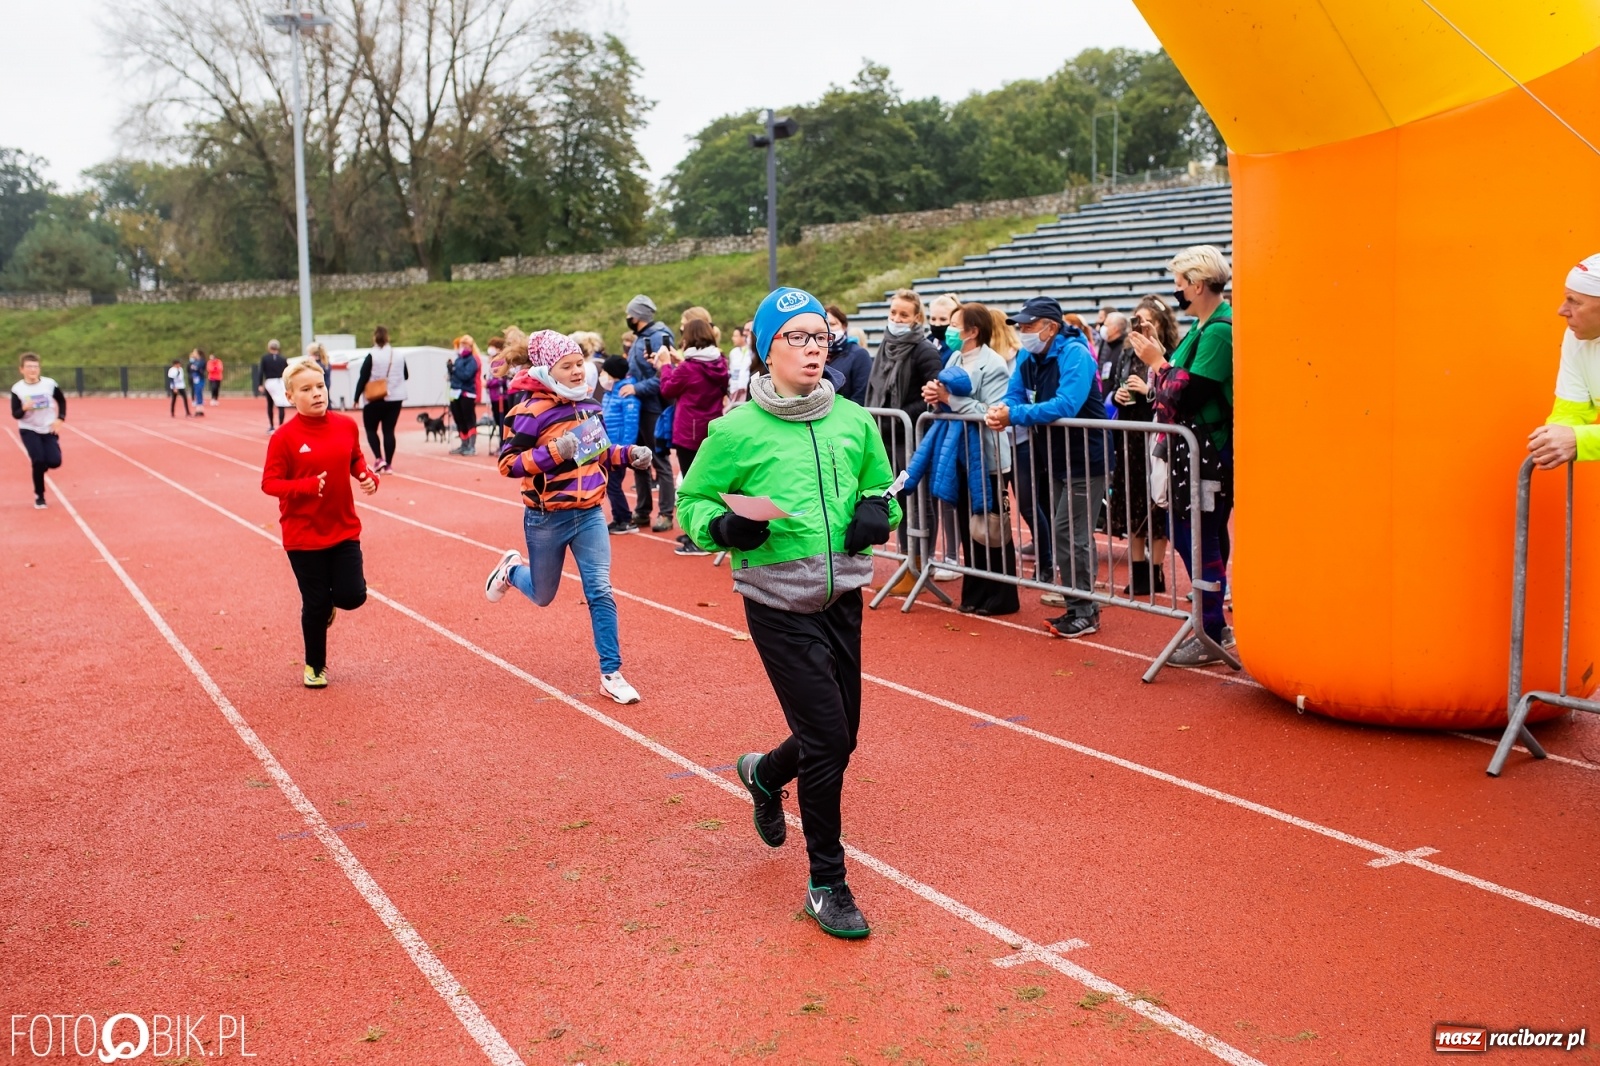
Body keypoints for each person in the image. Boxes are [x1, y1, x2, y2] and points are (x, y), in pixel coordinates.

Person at [677, 286, 900, 940]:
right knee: (830, 740)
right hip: (777, 603)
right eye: (796, 337)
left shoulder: (854, 421)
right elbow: (692, 503)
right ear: (765, 348)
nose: (812, 348)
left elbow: (881, 490)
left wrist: (878, 514)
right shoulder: (735, 430)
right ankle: (828, 885)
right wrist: (720, 524)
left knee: (840, 736)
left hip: (842, 599)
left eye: (819, 336)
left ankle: (764, 773)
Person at [482, 330, 655, 705]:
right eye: (568, 366)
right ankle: (512, 570)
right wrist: (553, 453)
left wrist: (630, 455)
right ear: (548, 370)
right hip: (547, 518)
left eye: (580, 363)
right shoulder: (530, 412)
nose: (578, 372)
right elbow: (508, 464)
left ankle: (611, 672)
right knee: (544, 595)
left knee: (600, 590)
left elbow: (600, 452)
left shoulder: (589, 406)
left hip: (590, 514)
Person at [1129, 245, 1236, 666]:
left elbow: (1183, 391)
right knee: (1191, 532)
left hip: (1208, 451)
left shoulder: (1220, 331)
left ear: (1196, 284)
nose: (1176, 291)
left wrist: (1156, 363)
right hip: (1190, 451)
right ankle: (1210, 623)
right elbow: (1170, 388)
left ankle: (1211, 629)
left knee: (1199, 535)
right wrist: (1160, 364)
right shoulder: (1200, 328)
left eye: (1179, 284)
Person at [985, 296, 1107, 639]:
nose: (1023, 332)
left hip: (1086, 457)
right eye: (1020, 326)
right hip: (1054, 457)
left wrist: (1014, 415)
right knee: (1066, 532)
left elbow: (1066, 404)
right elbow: (1015, 393)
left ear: (1050, 327)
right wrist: (1003, 410)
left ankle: (1083, 610)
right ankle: (1081, 605)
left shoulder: (1076, 355)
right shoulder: (1029, 354)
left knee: (1071, 532)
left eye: (1028, 326)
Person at [260, 357, 379, 688]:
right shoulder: (283, 438)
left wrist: (366, 476)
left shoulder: (345, 426)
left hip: (343, 528)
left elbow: (355, 457)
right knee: (314, 604)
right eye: (307, 389)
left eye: (320, 386)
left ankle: (329, 606)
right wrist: (306, 486)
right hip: (303, 535)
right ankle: (315, 667)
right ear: (289, 396)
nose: (317, 393)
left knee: (353, 596)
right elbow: (269, 483)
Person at [915, 302, 1018, 615]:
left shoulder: (995, 364)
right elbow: (952, 406)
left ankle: (1001, 596)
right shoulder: (956, 357)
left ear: (972, 331)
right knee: (967, 525)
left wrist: (949, 398)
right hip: (959, 453)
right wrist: (936, 399)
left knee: (991, 527)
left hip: (987, 456)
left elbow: (990, 412)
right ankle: (974, 593)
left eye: (955, 324)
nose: (949, 329)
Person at [866, 288, 944, 582]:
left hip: (912, 438)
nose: (896, 319)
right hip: (887, 437)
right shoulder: (885, 346)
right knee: (898, 501)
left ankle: (921, 564)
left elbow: (931, 397)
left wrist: (897, 415)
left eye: (903, 314)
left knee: (918, 504)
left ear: (916, 318)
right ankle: (907, 560)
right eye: (893, 313)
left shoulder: (924, 350)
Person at [1107, 299, 1175, 595]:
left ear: (1160, 324)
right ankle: (1139, 573)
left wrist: (1148, 392)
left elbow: (1173, 394)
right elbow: (1111, 386)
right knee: (1133, 501)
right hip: (1130, 439)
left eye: (1147, 321)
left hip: (1158, 438)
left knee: (1157, 504)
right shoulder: (1125, 354)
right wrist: (1118, 395)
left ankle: (1156, 571)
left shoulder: (1168, 354)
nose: (1140, 326)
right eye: (1136, 320)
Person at [656, 311, 729, 556]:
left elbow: (667, 388)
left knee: (691, 486)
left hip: (689, 431)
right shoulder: (720, 361)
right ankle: (705, 532)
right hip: (712, 428)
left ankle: (698, 538)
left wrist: (666, 365)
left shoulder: (688, 367)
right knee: (710, 484)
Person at [1529, 252, 1600, 469]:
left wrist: (1579, 440)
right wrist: (1555, 437)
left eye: (1573, 301)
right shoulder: (1577, 336)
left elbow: (1577, 437)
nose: (1562, 310)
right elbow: (1572, 410)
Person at [621, 294, 678, 531]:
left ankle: (665, 513)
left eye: (629, 315)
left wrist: (636, 387)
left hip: (653, 407)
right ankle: (643, 511)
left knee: (659, 461)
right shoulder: (640, 338)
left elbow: (663, 376)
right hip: (638, 409)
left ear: (638, 316)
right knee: (638, 460)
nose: (627, 318)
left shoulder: (658, 338)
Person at [11, 352, 65, 509]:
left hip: (48, 427)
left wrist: (60, 418)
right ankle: (39, 496)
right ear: (22, 369)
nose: (33, 370)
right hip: (29, 429)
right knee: (38, 460)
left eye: (35, 366)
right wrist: (24, 408)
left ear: (39, 368)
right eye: (29, 367)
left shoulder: (49, 384)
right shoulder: (18, 389)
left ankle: (41, 467)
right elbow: (15, 414)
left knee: (55, 462)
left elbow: (61, 400)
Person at [354, 325, 407, 472]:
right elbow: (406, 375)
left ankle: (379, 458)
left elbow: (363, 377)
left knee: (371, 429)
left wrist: (356, 397)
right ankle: (388, 464)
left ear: (374, 338)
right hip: (395, 397)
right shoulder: (398, 355)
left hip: (374, 398)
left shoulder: (372, 355)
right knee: (389, 431)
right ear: (388, 337)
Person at [599, 354, 641, 534]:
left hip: (618, 449)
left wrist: (626, 450)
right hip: (607, 447)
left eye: (604, 372)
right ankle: (620, 517)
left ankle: (625, 519)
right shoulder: (610, 393)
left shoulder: (626, 395)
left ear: (612, 374)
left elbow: (631, 423)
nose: (602, 375)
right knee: (610, 484)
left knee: (613, 485)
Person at [823, 305, 872, 405]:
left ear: (844, 326)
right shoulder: (816, 353)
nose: (829, 329)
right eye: (825, 325)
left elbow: (861, 395)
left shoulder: (859, 354)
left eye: (832, 324)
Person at [447, 334, 482, 456]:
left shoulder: (473, 360)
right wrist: (450, 370)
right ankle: (464, 443)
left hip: (467, 393)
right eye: (462, 344)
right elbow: (454, 376)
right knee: (459, 419)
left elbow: (466, 375)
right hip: (455, 393)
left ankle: (471, 446)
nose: (463, 347)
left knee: (469, 419)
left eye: (465, 345)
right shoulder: (458, 359)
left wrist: (455, 370)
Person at [1096, 312, 1129, 417]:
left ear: (1115, 329)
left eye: (1106, 325)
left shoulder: (1125, 349)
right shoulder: (1107, 345)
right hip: (1107, 402)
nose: (1103, 328)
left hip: (1118, 408)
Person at [260, 339, 288, 432]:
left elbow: (261, 371)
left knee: (270, 404)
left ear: (269, 347)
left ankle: (271, 426)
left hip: (270, 382)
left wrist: (260, 384)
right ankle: (281, 426)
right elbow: (287, 372)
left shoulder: (265, 358)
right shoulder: (283, 359)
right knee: (281, 404)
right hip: (280, 382)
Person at [928, 292, 961, 360]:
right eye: (933, 319)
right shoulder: (925, 344)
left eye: (943, 319)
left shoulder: (957, 349)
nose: (937, 324)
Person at [727, 323, 754, 405]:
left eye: (735, 336)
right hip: (734, 390)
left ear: (743, 337)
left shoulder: (752, 351)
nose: (733, 338)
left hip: (746, 390)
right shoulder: (733, 352)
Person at [188, 348, 207, 414]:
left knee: (199, 392)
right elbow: (190, 368)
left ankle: (200, 408)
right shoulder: (194, 361)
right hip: (195, 378)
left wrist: (195, 368)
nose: (193, 354)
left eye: (194, 352)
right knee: (197, 392)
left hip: (200, 378)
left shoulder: (202, 361)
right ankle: (199, 408)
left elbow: (199, 369)